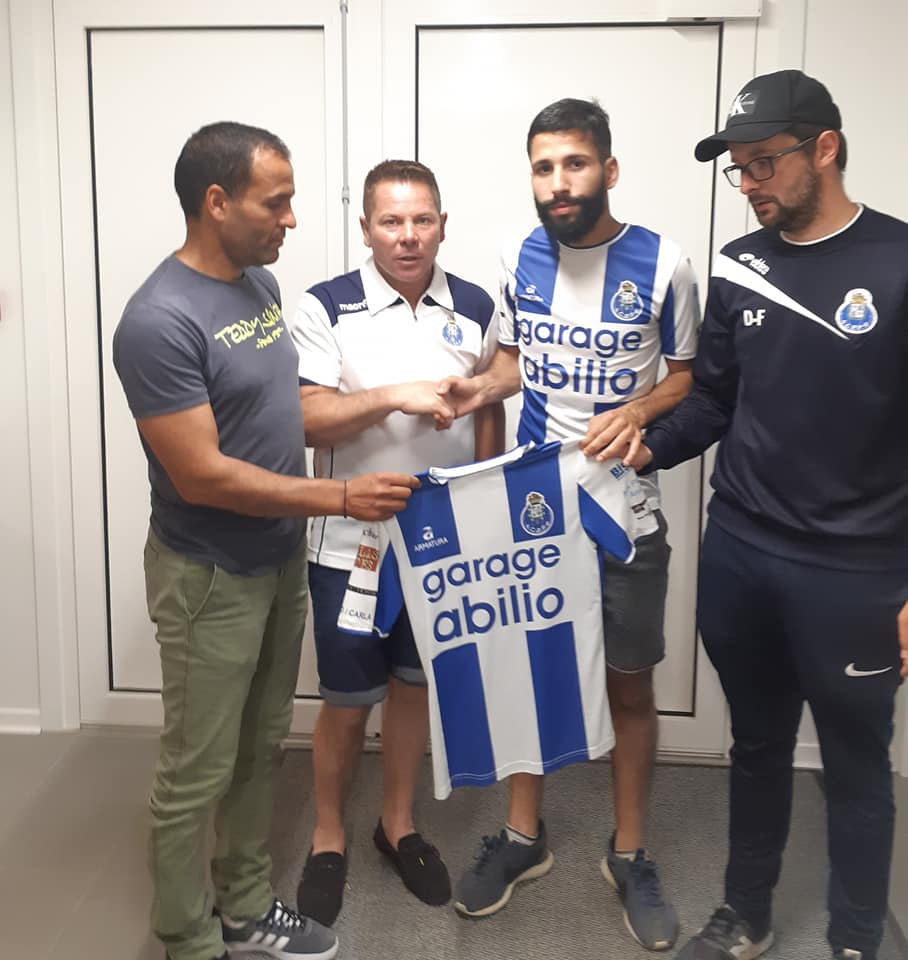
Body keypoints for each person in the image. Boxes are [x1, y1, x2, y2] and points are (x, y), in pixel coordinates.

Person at [113, 122, 418, 960]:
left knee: (259, 750)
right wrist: (340, 496)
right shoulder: (158, 320)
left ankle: (245, 905)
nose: (291, 219)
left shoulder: (258, 287)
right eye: (275, 202)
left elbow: (280, 413)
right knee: (196, 769)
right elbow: (202, 476)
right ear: (217, 203)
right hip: (208, 577)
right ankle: (187, 938)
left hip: (277, 560)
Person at [627, 70, 908, 960]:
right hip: (742, 553)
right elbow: (714, 400)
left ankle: (856, 938)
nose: (748, 184)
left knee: (856, 764)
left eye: (763, 163)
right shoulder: (739, 262)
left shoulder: (898, 262)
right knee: (756, 744)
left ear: (825, 149)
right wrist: (646, 447)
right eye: (737, 168)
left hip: (857, 573)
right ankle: (745, 912)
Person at [438, 98, 699, 951]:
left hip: (625, 510)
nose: (558, 182)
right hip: (534, 513)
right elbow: (516, 364)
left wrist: (639, 409)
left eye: (575, 163)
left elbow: (686, 375)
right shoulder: (518, 256)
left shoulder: (665, 264)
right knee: (530, 671)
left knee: (629, 684)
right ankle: (524, 837)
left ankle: (629, 854)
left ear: (608, 170)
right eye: (544, 167)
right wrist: (477, 389)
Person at [289, 159, 504, 926]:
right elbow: (308, 418)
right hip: (349, 544)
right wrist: (393, 397)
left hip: (440, 546)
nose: (407, 236)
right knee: (348, 703)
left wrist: (482, 499)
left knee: (416, 688)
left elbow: (489, 404)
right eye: (391, 221)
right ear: (367, 229)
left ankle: (397, 824)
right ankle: (327, 836)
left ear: (442, 225)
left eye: (421, 220)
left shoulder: (475, 305)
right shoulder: (327, 306)